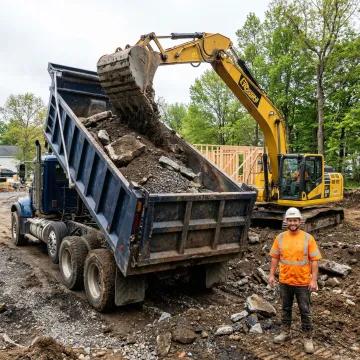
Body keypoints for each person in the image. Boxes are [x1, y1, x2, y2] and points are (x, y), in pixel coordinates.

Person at [268, 207, 322, 354]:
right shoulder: (280, 238)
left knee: (305, 310)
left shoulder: (308, 238)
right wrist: (272, 275)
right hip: (285, 281)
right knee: (285, 308)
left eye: (295, 220)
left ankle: (307, 337)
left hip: (303, 282)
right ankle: (286, 332)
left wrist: (314, 280)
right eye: (290, 220)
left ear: (299, 221)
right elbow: (275, 258)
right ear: (287, 221)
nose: (292, 222)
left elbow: (315, 261)